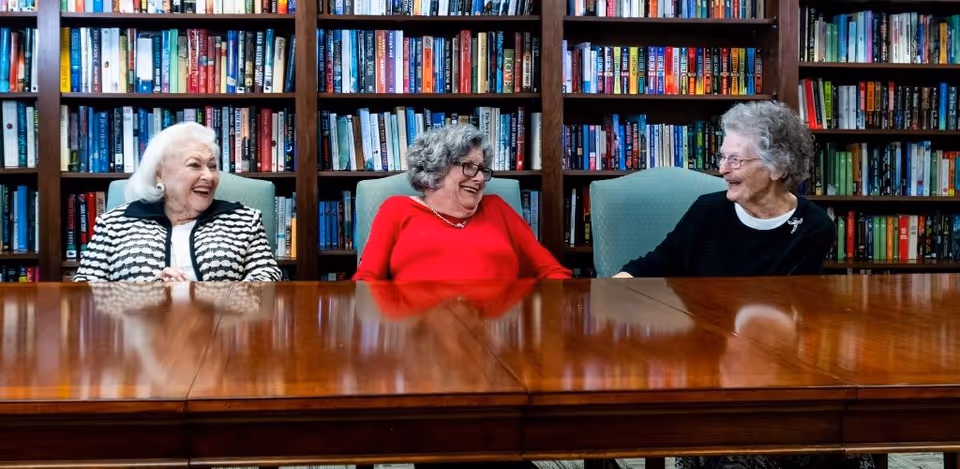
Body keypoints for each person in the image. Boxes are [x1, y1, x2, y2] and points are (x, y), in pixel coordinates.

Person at [614, 100, 835, 278]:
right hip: (704, 330)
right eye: (723, 157)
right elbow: (653, 265)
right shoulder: (706, 211)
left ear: (777, 167)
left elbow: (796, 304)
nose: (722, 169)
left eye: (735, 160)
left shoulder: (813, 226)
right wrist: (608, 292)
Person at [353, 124, 571, 281]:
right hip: (421, 334)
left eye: (482, 169)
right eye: (468, 166)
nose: (478, 178)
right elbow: (368, 278)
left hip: (496, 335)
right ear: (437, 168)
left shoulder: (497, 208)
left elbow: (552, 271)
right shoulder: (397, 210)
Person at [72, 121, 281, 282]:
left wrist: (204, 296)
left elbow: (268, 275)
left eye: (212, 166)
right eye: (194, 165)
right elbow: (85, 287)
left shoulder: (244, 220)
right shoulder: (114, 224)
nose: (209, 176)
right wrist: (147, 295)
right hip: (137, 335)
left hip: (220, 331)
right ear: (160, 173)